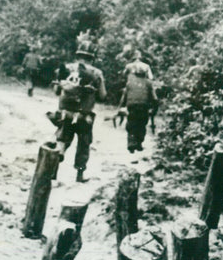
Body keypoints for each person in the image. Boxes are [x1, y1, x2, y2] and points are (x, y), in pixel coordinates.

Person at [50, 41, 107, 182]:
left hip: (65, 113)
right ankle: (79, 175)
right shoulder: (96, 72)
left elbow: (57, 90)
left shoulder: (66, 68)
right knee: (84, 144)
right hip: (84, 115)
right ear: (91, 57)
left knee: (61, 140)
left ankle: (53, 172)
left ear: (77, 55)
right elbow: (102, 95)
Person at [120, 70, 158, 152]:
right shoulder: (149, 83)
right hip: (144, 107)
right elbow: (155, 98)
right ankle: (139, 143)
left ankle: (131, 141)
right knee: (142, 124)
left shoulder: (129, 83)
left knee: (131, 123)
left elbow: (124, 97)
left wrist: (121, 107)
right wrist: (154, 108)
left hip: (132, 107)